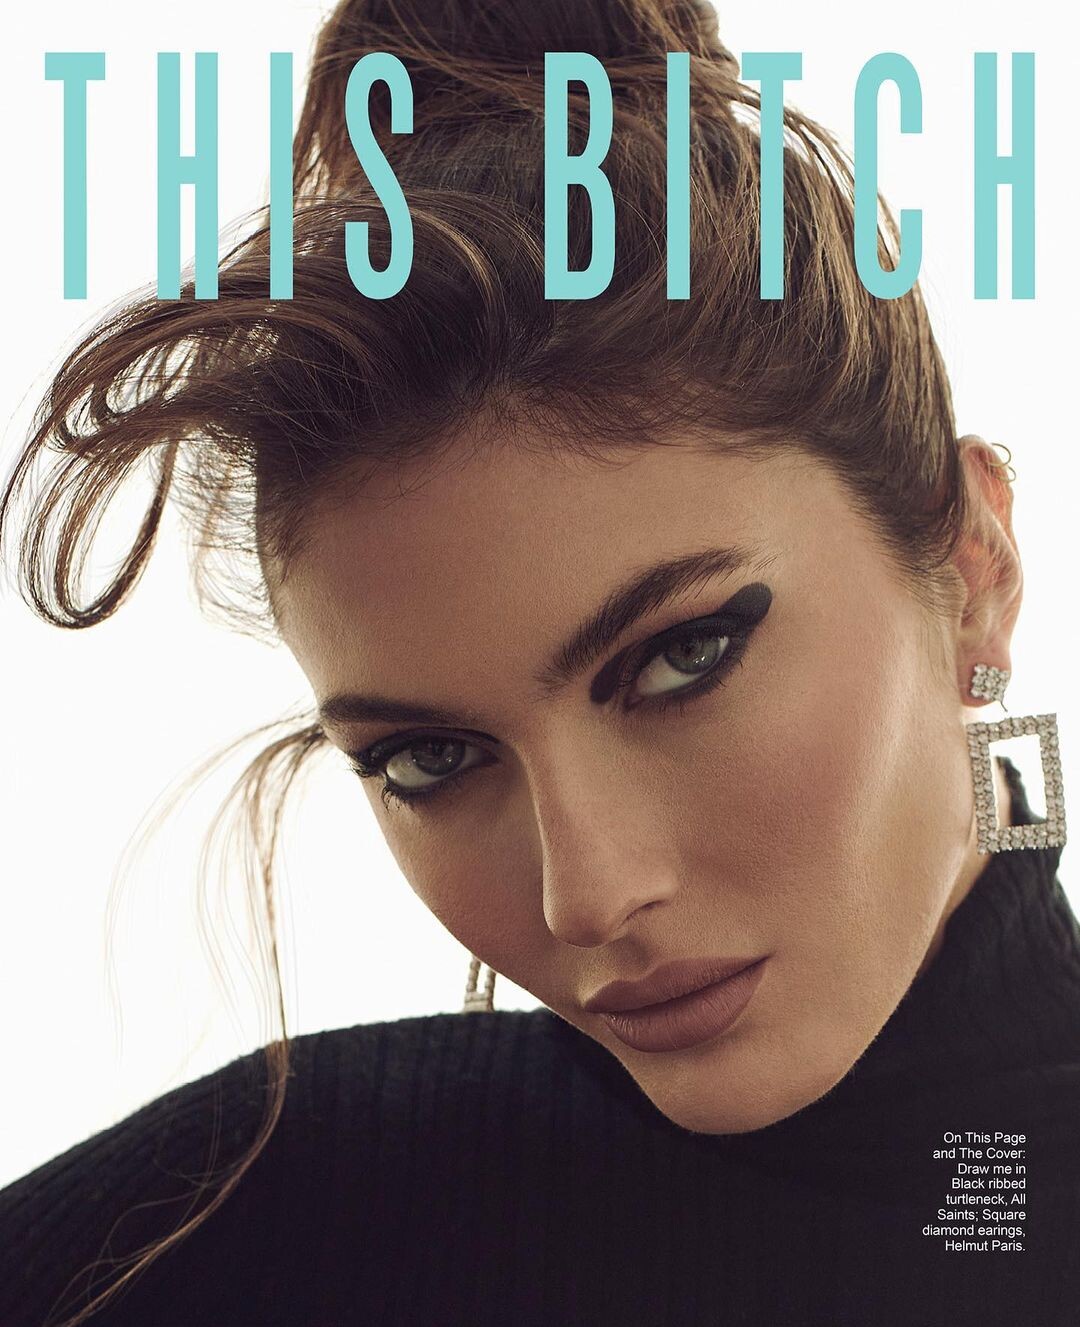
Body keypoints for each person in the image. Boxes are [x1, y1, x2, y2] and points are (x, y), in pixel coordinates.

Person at [1, 1, 1078, 1324]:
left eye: (683, 659)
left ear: (973, 567)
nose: (589, 896)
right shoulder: (280, 1222)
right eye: (431, 758)